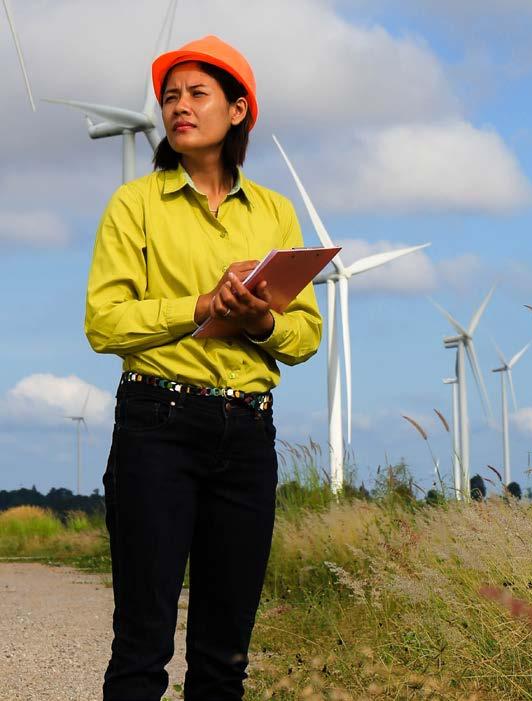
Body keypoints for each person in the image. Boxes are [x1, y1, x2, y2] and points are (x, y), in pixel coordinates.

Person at [85, 35, 322, 701]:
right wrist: (199, 305)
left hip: (248, 435)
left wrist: (259, 321)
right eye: (169, 96)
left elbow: (305, 335)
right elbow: (104, 321)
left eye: (196, 94)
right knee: (143, 645)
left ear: (238, 110)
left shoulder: (274, 210)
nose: (177, 107)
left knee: (225, 655)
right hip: (157, 424)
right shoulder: (133, 204)